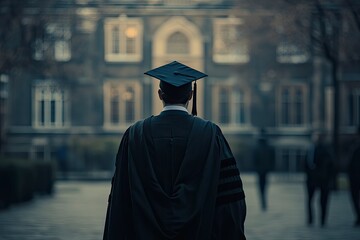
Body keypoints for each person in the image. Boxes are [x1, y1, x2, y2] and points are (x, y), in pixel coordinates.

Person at [103, 61, 246, 240]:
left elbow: (120, 198)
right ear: (191, 95)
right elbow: (229, 200)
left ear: (160, 94)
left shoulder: (135, 135)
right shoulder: (210, 134)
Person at [305, 132, 334, 227]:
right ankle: (311, 219)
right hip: (312, 179)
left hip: (322, 179)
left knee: (322, 201)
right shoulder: (310, 149)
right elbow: (306, 163)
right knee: (311, 200)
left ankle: (322, 219)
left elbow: (330, 165)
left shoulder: (326, 150)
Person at [252, 128, 275, 211]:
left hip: (261, 170)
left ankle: (263, 201)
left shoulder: (257, 146)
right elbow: (272, 158)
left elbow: (254, 159)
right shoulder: (268, 146)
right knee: (264, 186)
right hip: (264, 169)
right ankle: (263, 201)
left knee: (261, 186)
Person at [347, 126, 360, 227]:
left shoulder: (356, 147)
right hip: (354, 179)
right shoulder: (354, 145)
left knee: (355, 198)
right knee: (355, 199)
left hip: (356, 178)